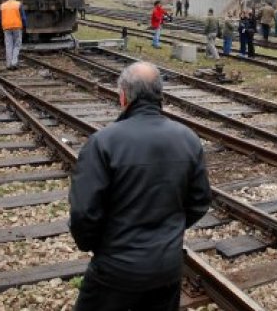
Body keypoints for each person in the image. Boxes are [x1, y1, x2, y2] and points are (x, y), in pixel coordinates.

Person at [70, 61, 211, 311]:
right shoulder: (188, 138)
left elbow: (84, 213)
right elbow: (199, 202)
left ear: (123, 96)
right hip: (166, 268)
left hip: (115, 268)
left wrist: (100, 246)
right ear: (161, 96)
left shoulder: (103, 142)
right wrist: (167, 233)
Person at [0, 0, 27, 70]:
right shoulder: (18, 4)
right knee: (17, 45)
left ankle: (8, 64)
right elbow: (23, 18)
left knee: (8, 45)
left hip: (6, 27)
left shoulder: (3, 5)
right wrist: (25, 26)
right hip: (17, 27)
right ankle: (14, 63)